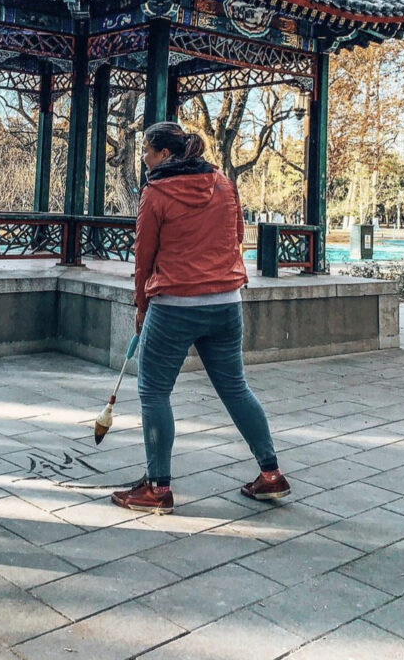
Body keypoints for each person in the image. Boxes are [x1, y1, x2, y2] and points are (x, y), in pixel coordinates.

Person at [111, 121, 289, 515]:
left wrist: (141, 305)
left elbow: (144, 257)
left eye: (146, 151)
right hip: (226, 303)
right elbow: (237, 235)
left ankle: (158, 488)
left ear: (165, 154)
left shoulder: (155, 193)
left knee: (154, 391)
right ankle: (271, 473)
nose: (143, 158)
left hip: (175, 305)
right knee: (236, 389)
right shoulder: (224, 184)